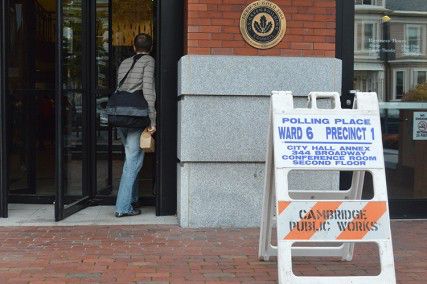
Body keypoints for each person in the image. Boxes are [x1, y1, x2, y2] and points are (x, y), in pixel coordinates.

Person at [115, 33, 156, 217]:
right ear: (151, 47)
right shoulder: (148, 61)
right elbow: (148, 91)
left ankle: (131, 200)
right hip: (136, 117)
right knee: (133, 162)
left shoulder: (124, 62)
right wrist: (153, 119)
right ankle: (122, 207)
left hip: (121, 115)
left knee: (130, 158)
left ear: (133, 47)